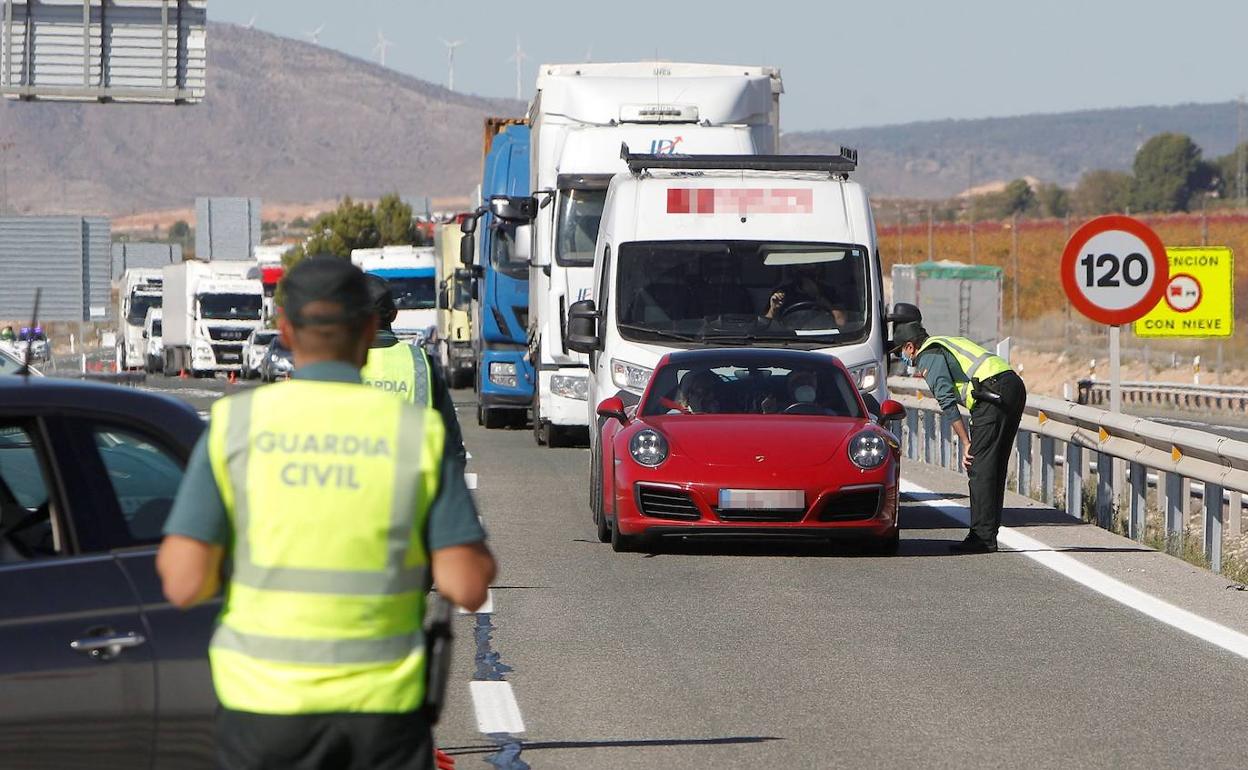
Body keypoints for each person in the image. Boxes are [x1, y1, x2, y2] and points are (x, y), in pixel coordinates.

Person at [156, 256, 496, 769]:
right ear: (368, 329)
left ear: (285, 331)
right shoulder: (412, 434)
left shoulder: (234, 426)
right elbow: (467, 585)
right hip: (382, 718)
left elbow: (182, 582)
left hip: (262, 715)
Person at [893, 321, 1026, 553]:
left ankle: (982, 538)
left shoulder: (928, 357)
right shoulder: (946, 342)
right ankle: (988, 533)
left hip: (991, 393)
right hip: (1011, 386)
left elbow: (946, 400)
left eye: (900, 352)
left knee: (979, 467)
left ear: (910, 347)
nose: (902, 357)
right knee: (994, 465)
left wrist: (966, 442)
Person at [361, 274, 466, 465]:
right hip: (415, 484)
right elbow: (452, 445)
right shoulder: (421, 362)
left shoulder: (337, 365)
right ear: (394, 315)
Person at [765, 264, 847, 325]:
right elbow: (765, 326)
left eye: (811, 268)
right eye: (801, 269)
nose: (806, 273)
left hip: (822, 334)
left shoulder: (829, 291)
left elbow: (841, 322)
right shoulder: (782, 292)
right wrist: (773, 309)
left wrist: (818, 297)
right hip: (789, 337)